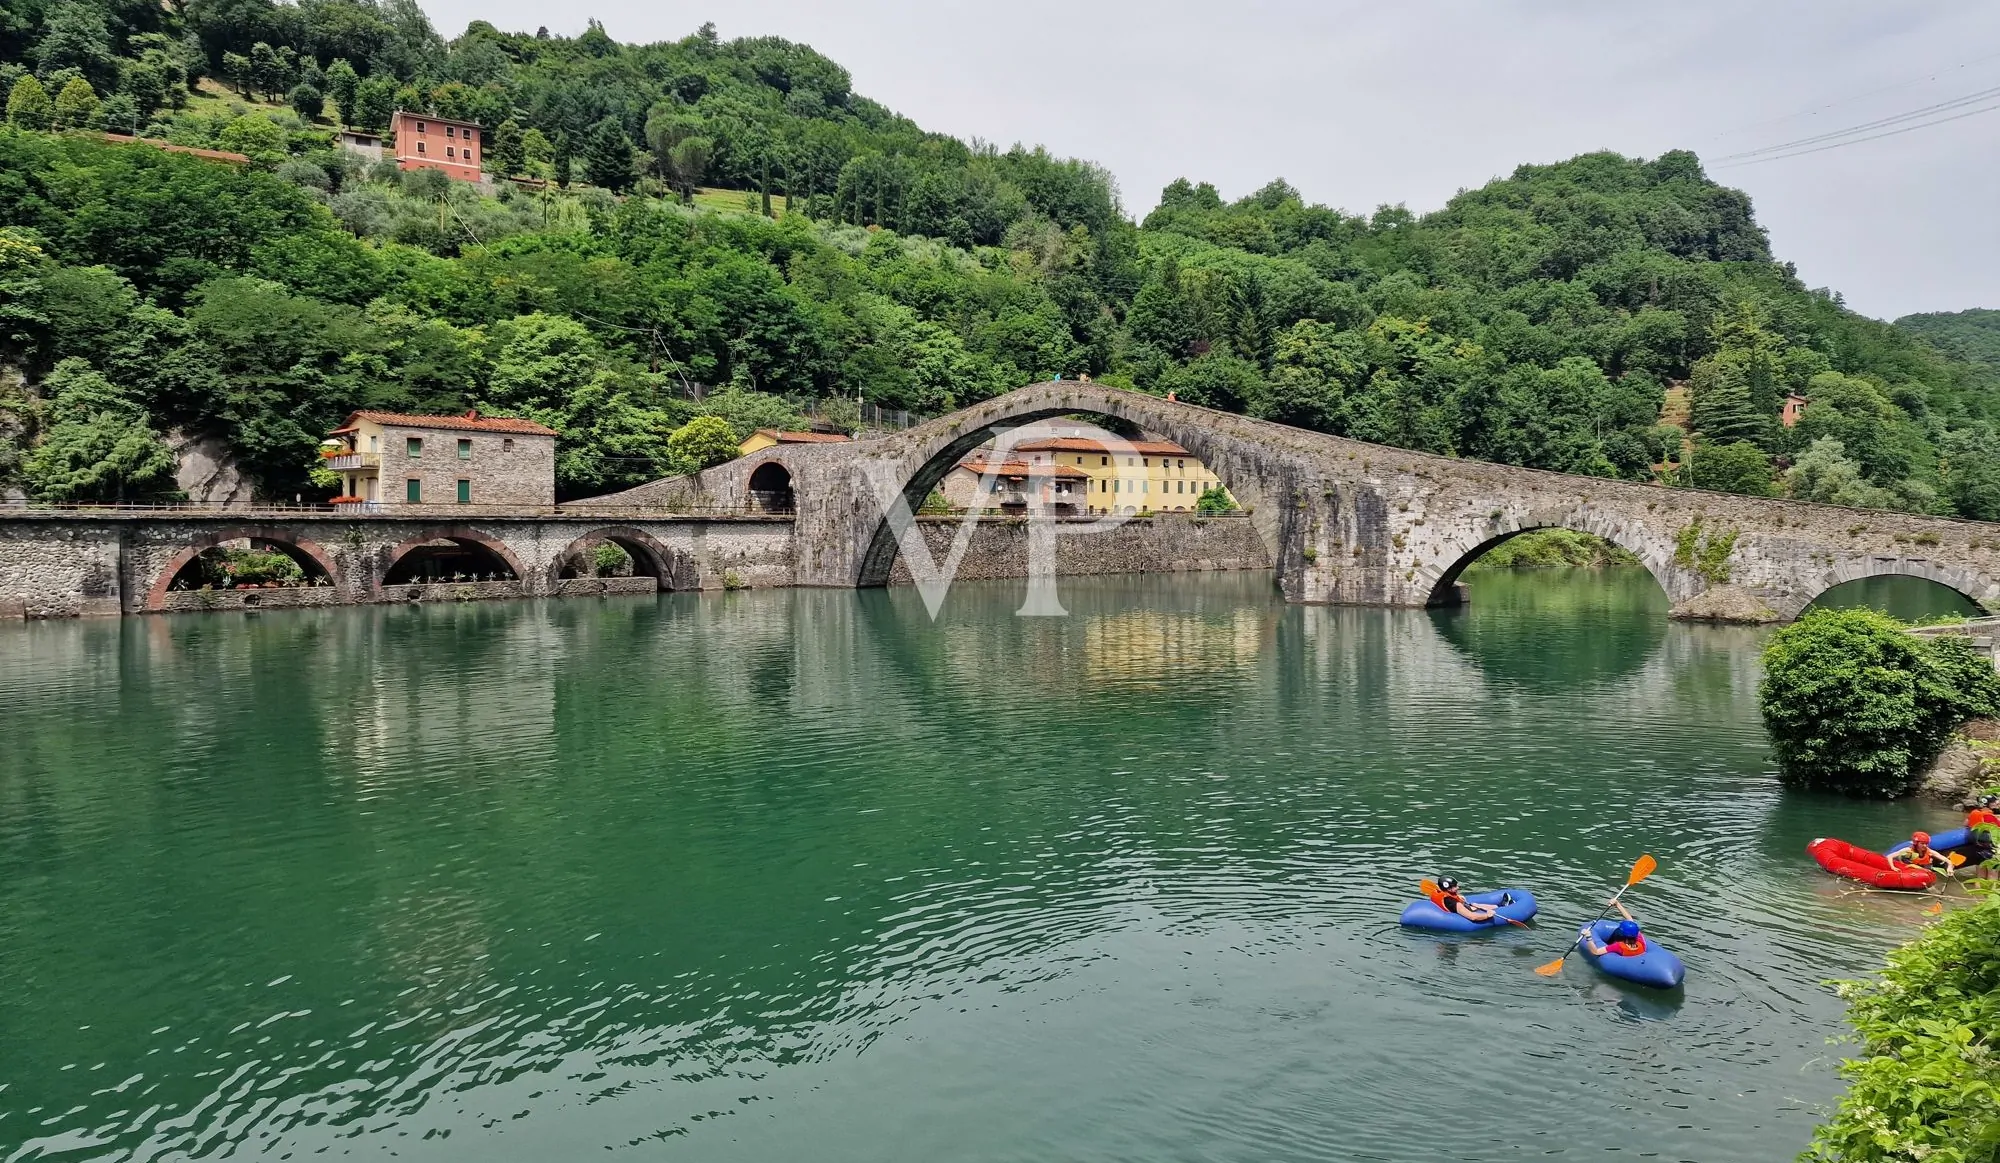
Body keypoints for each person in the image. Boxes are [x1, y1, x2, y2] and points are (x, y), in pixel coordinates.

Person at [1582, 899, 1647, 958]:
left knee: (1617, 932)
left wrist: (1588, 937)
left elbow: (1596, 952)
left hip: (1621, 953)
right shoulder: (1641, 941)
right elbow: (1630, 920)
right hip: (1633, 952)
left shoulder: (1618, 946)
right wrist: (1617, 904)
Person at [1429, 876, 1509, 922]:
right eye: (1455, 886)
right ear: (1449, 889)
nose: (1458, 887)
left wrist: (1457, 896)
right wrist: (1487, 915)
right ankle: (1502, 907)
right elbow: (1472, 917)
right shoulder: (1454, 903)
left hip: (1451, 907)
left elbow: (1446, 895)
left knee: (1475, 905)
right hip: (1459, 911)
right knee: (1475, 907)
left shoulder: (1439, 891)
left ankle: (1499, 905)